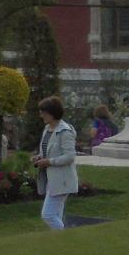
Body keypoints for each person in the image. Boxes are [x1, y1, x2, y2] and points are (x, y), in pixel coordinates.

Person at [32, 96, 78, 231]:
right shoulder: (47, 129)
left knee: (48, 214)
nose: (41, 115)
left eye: (43, 112)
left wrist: (49, 162)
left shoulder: (65, 131)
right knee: (57, 214)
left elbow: (70, 156)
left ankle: (66, 238)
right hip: (50, 178)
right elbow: (48, 151)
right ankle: (59, 242)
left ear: (52, 113)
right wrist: (39, 157)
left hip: (62, 179)